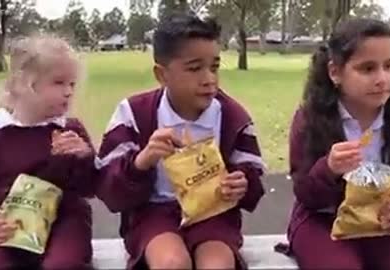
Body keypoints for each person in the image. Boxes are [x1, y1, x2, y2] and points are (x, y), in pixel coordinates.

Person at [95, 13, 265, 270]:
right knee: (171, 263)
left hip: (213, 216)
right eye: (195, 68)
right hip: (153, 214)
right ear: (162, 75)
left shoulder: (232, 116)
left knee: (216, 265)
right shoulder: (133, 114)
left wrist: (241, 182)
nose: (209, 78)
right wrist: (142, 162)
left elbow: (252, 179)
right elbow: (109, 189)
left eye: (215, 67)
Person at [282, 18, 390, 269]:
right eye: (367, 69)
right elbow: (306, 193)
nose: (382, 78)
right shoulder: (311, 119)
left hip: (387, 223)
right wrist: (328, 169)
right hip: (324, 221)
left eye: (389, 66)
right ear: (335, 72)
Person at [0, 35, 96, 269]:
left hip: (66, 220)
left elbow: (90, 188)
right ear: (22, 84)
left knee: (62, 265)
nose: (69, 92)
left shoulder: (71, 130)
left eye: (72, 84)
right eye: (59, 83)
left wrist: (84, 157)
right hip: (9, 224)